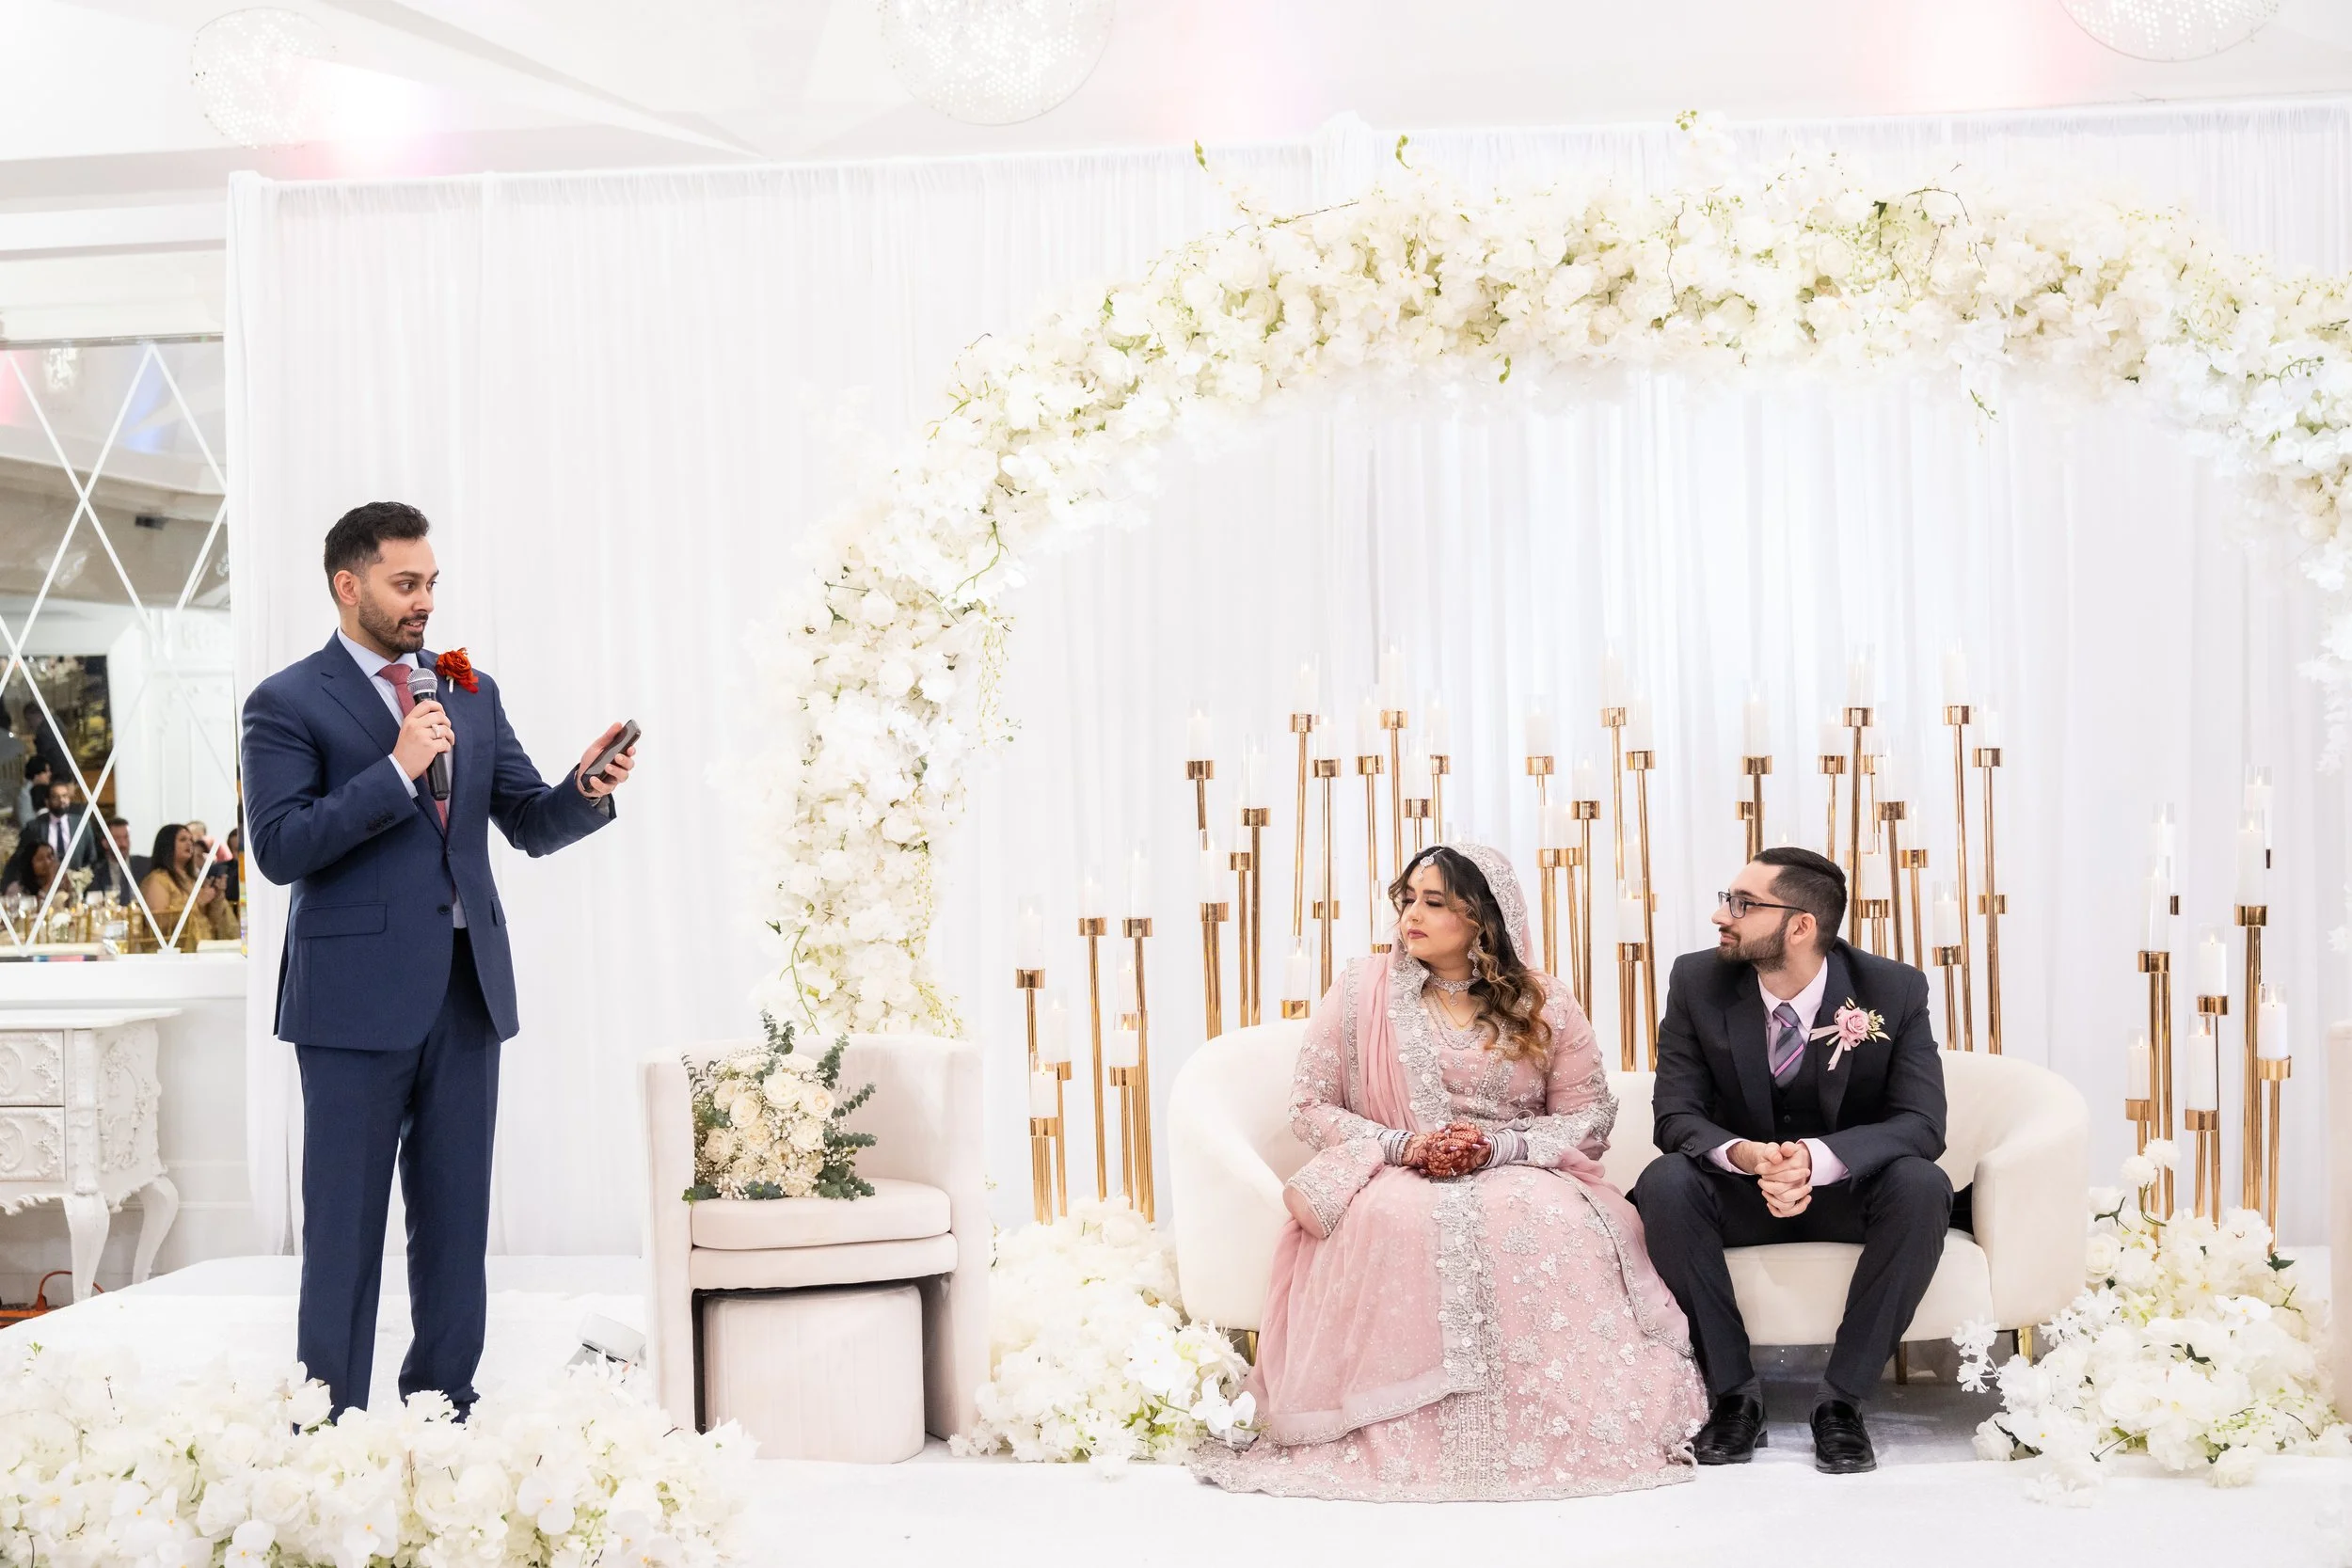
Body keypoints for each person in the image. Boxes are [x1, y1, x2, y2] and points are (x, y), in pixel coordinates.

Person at [240, 499, 635, 1419]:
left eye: (430, 583)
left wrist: (585, 789)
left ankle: (442, 1407)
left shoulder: (468, 688)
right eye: (404, 583)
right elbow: (281, 847)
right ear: (348, 585)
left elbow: (527, 821)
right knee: (344, 1230)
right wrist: (396, 769)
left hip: (466, 991)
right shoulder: (287, 700)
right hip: (350, 1004)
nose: (424, 601)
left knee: (456, 1224)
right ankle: (329, 1426)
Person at [1194, 843, 1705, 1501]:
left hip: (1521, 1167)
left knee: (1548, 1218)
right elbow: (1311, 1106)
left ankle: (1543, 1424)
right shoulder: (1360, 990)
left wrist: (1499, 1149)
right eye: (1407, 898)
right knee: (1397, 1218)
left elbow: (1587, 1117)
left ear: (1483, 917)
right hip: (1394, 1168)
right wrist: (1405, 1145)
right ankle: (1400, 1423)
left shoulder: (1544, 999)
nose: (1412, 914)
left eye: (1435, 902)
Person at [1629, 847, 1948, 1477]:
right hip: (1741, 1192)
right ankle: (1733, 1395)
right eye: (1727, 898)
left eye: (1742, 904)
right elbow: (1675, 1115)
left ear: (1800, 926)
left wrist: (1816, 1159)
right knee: (1665, 1182)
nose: (1722, 915)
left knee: (1922, 1184)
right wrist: (1746, 1155)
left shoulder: (1894, 989)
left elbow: (1921, 1122)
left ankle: (1842, 1401)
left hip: (1845, 1193)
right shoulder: (1697, 981)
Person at [139, 822, 239, 947]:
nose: (189, 843)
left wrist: (217, 897)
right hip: (174, 951)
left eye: (191, 840)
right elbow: (158, 922)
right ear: (167, 845)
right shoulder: (157, 879)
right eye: (183, 839)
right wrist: (196, 903)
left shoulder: (194, 879)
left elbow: (212, 921)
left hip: (204, 946)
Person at [25, 780, 98, 874]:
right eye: (56, 797)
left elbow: (91, 857)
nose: (62, 800)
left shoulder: (82, 824)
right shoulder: (35, 826)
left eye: (65, 796)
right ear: (47, 802)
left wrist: (81, 877)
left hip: (76, 879)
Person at [87, 816, 140, 903]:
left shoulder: (145, 865)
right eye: (117, 839)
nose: (123, 844)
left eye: (126, 837)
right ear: (105, 843)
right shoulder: (96, 874)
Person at [1, 835, 60, 901]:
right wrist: (50, 883)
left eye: (49, 856)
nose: (47, 863)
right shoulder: (16, 889)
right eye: (40, 859)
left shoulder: (61, 885)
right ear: (30, 864)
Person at [13, 754, 50, 830]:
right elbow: (26, 823)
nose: (49, 774)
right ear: (37, 774)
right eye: (46, 772)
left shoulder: (42, 788)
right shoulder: (25, 794)